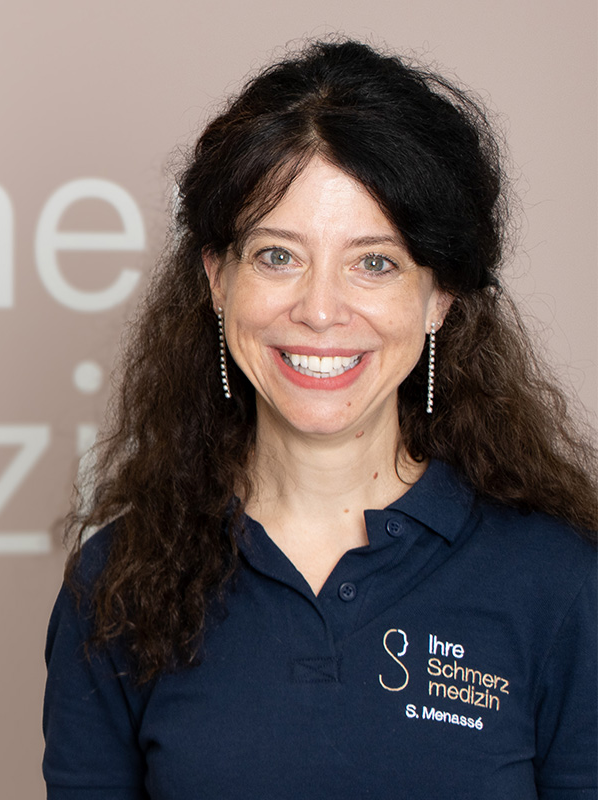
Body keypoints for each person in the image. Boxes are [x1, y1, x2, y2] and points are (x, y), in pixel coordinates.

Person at [42, 40, 597, 799]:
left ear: (439, 297)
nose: (321, 310)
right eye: (278, 256)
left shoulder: (560, 584)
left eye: (375, 262)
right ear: (217, 278)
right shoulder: (117, 585)